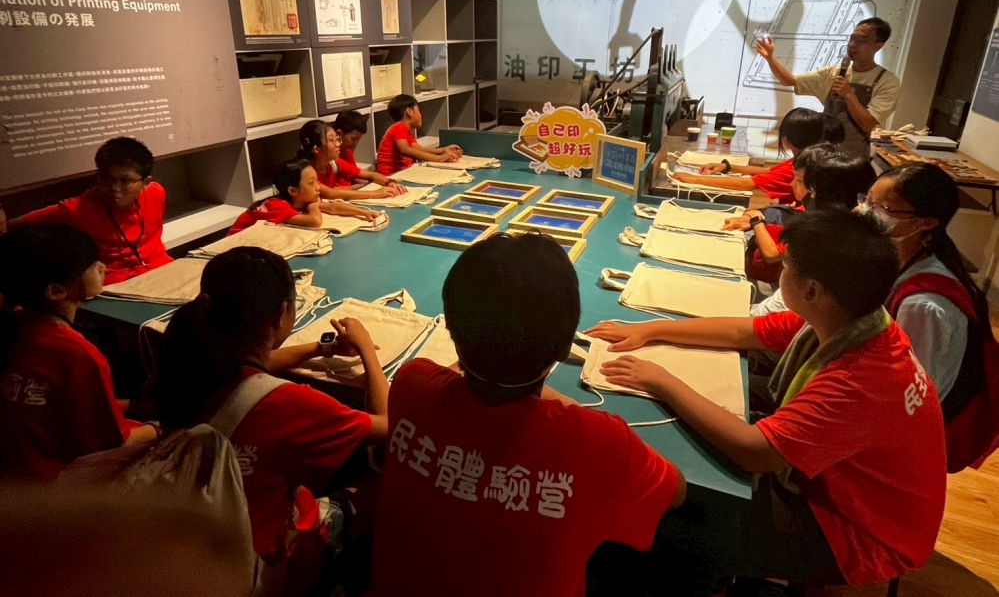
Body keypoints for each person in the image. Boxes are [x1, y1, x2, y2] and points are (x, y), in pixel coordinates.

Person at [586, 210, 946, 593]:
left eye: (786, 267)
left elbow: (754, 451)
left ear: (812, 290)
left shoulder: (860, 379)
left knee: (662, 510)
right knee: (724, 400)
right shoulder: (854, 320)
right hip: (849, 490)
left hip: (855, 533)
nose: (779, 273)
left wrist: (661, 380)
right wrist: (651, 330)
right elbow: (741, 332)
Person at [369, 233, 687, 597]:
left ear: (452, 332)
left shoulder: (411, 383)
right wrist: (562, 402)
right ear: (566, 348)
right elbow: (676, 491)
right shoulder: (600, 442)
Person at [153, 247, 389, 568]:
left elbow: (256, 363)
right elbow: (388, 424)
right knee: (378, 483)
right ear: (282, 314)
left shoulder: (189, 365)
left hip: (191, 538)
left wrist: (323, 348)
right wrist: (366, 348)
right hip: (260, 562)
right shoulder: (291, 404)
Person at [0, 226, 154, 480]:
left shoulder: (15, 324)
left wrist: (130, 405)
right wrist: (161, 427)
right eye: (92, 265)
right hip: (63, 482)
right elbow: (114, 445)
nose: (103, 267)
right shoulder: (76, 354)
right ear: (56, 291)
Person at [863, 164, 989, 408]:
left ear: (926, 223)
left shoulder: (922, 306)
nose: (865, 212)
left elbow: (911, 394)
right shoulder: (900, 262)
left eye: (883, 209)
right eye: (868, 201)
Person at [11, 137, 172, 285]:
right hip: (117, 285)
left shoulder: (156, 193)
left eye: (125, 180)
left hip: (164, 270)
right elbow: (16, 224)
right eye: (106, 179)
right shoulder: (79, 208)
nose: (114, 188)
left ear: (145, 182)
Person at [755, 18, 900, 159]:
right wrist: (770, 58)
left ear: (879, 45)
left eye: (862, 40)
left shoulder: (887, 81)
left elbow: (868, 124)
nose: (853, 44)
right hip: (822, 154)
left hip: (853, 159)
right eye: (852, 38)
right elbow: (789, 80)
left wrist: (849, 95)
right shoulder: (833, 72)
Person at [672, 109, 842, 205]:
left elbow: (745, 184)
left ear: (786, 140)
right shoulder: (807, 159)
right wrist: (728, 166)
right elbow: (770, 171)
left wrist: (693, 179)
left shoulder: (797, 166)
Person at [228, 159, 379, 236]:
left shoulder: (302, 199)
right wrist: (314, 206)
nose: (318, 187)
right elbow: (315, 221)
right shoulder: (277, 205)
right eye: (312, 183)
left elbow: (332, 207)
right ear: (293, 190)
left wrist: (363, 212)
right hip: (235, 243)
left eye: (317, 181)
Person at [297, 119, 405, 201]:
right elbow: (330, 193)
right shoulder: (306, 172)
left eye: (337, 139)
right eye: (331, 140)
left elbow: (370, 175)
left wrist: (389, 183)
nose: (338, 144)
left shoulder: (334, 163)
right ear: (316, 149)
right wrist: (376, 193)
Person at [375, 94, 462, 176]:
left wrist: (444, 150)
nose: (420, 116)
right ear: (409, 112)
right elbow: (405, 149)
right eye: (418, 110)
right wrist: (439, 158)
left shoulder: (406, 132)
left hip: (402, 173)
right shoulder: (398, 128)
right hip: (391, 176)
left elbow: (420, 150)